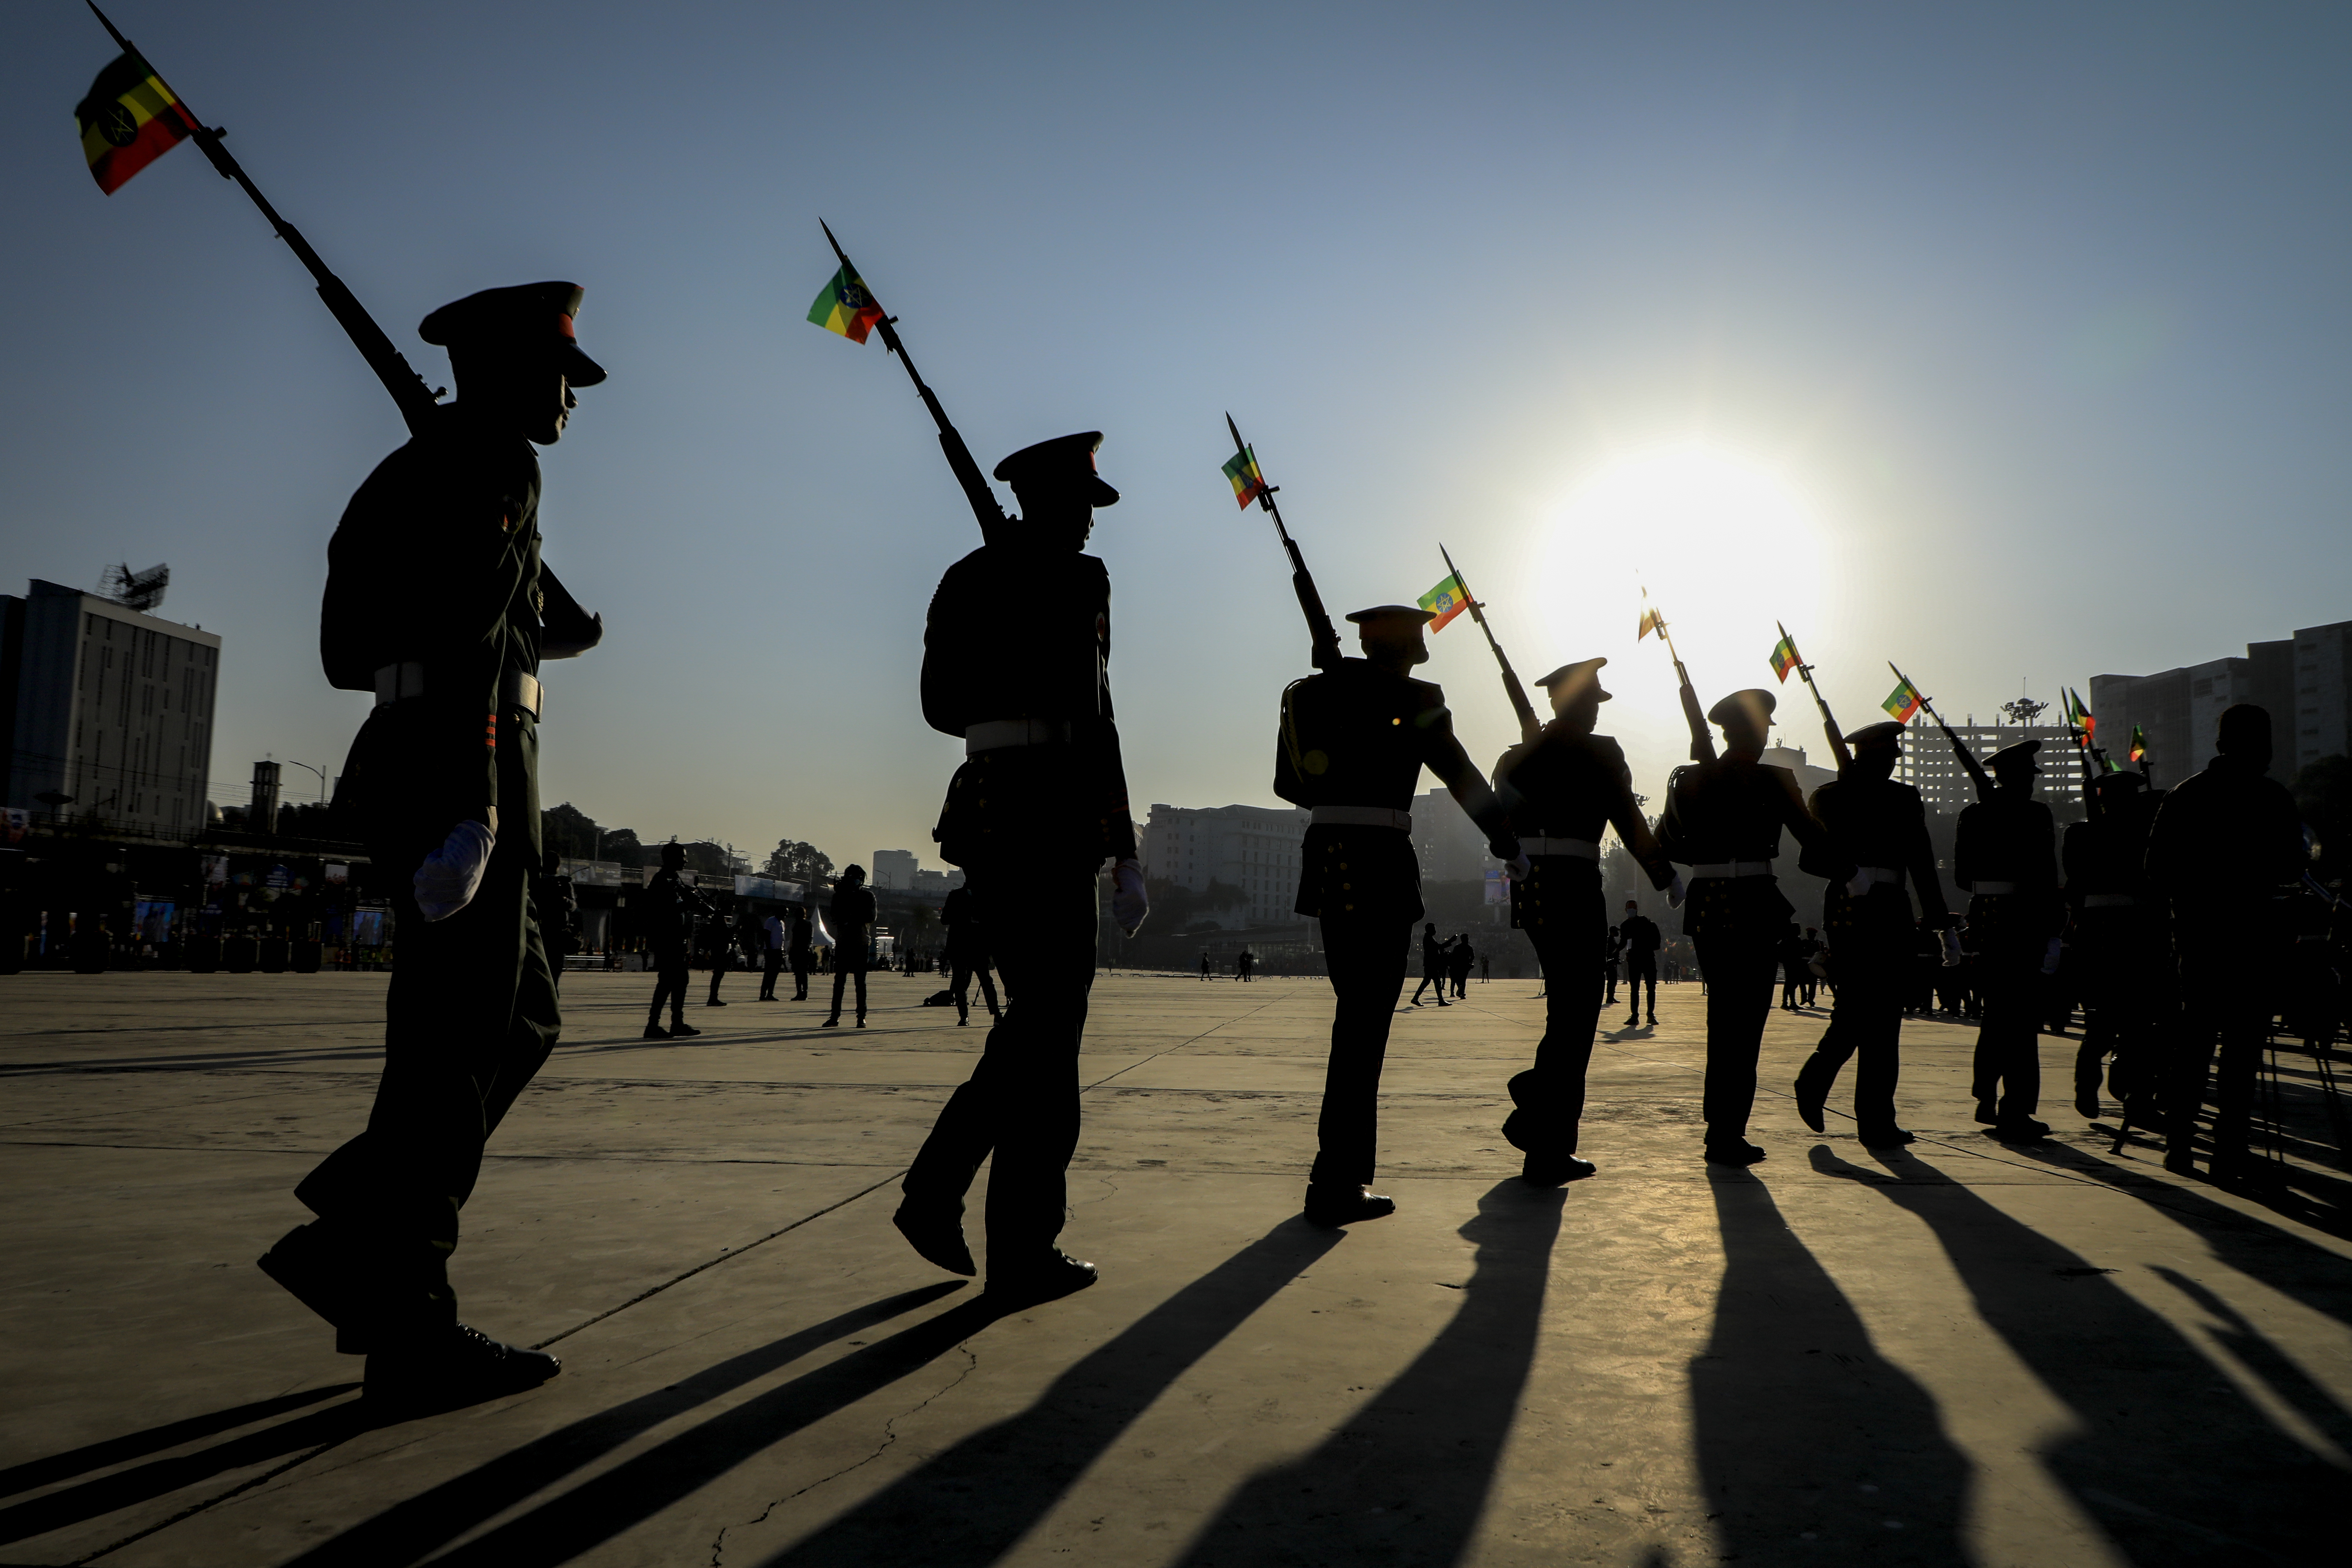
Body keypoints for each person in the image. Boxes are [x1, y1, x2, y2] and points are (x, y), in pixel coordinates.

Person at [259, 280, 607, 1403]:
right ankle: (407, 1319)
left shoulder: (403, 478)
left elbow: (345, 646)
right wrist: (477, 802)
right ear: (506, 373)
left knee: (524, 1014)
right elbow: (468, 638)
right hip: (474, 769)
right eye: (560, 374)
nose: (570, 396)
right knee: (454, 1043)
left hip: (427, 756)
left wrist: (543, 621)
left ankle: (365, 1229)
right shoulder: (500, 463)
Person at [894, 432, 1148, 1301]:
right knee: (1048, 1023)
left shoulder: (1054, 578)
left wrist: (1124, 846)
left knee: (1047, 1027)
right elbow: (939, 704)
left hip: (1031, 812)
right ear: (1038, 501)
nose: (1087, 520)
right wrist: (1016, 630)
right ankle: (978, 1214)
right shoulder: (989, 578)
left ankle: (991, 1225)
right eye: (1077, 505)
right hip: (1022, 809)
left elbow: (1097, 708)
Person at [1273, 603, 1525, 1225]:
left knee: (1354, 1021)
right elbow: (1460, 773)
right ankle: (1336, 1180)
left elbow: (1291, 785)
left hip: (1329, 863)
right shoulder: (1415, 696)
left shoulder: (1311, 694)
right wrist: (1506, 840)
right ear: (1408, 645)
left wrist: (1343, 720)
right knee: (1364, 1027)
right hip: (1380, 865)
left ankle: (1339, 1174)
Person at [1489, 657, 1680, 1182]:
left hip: (1529, 891)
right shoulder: (1599, 752)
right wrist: (1662, 873)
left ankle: (1541, 1127)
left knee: (1567, 1011)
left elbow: (1499, 816)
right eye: (1590, 704)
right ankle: (1539, 1119)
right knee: (1575, 1014)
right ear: (1576, 705)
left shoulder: (1515, 756)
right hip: (1573, 886)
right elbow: (1626, 815)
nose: (1596, 714)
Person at [1657, 688, 1848, 1165]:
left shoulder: (1690, 779)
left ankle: (1719, 1129)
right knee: (1744, 1025)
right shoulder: (1771, 779)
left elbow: (1669, 843)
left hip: (1707, 908)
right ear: (1760, 732)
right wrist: (1851, 865)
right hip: (1754, 905)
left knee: (1722, 1020)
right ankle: (1726, 1131)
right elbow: (1810, 837)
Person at [2147, 704, 2305, 1180]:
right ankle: (2227, 1147)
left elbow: (2154, 872)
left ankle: (2179, 1142)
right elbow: (2292, 872)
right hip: (2251, 941)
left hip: (2198, 940)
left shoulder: (2185, 796)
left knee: (2194, 1044)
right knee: (2240, 1052)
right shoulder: (2272, 798)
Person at [1790, 721, 1955, 1148]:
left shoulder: (1902, 798)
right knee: (1860, 1008)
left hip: (1893, 908)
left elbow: (1921, 862)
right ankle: (1825, 1084)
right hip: (1850, 906)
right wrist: (1849, 869)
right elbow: (1810, 860)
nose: (1889, 766)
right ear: (1866, 758)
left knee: (1884, 1018)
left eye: (1891, 760)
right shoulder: (1830, 797)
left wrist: (1940, 923)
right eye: (1883, 759)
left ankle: (1870, 1115)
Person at [1954, 740, 2062, 1140]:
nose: (2031, 785)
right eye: (2025, 777)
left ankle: (1987, 1094)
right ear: (2008, 778)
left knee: (2000, 1015)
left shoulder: (1975, 814)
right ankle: (2014, 1109)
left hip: (1989, 920)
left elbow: (1964, 877)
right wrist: (2052, 929)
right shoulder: (2034, 815)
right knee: (2018, 1019)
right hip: (2023, 922)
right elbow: (2047, 876)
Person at [2063, 770, 2166, 1121]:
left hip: (2113, 932)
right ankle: (2098, 1087)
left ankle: (2134, 1096)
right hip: (2113, 933)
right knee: (2110, 1021)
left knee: (2132, 1023)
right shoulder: (2087, 835)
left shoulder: (2124, 835)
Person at [640, 841, 706, 1039]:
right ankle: (654, 1025)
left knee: (679, 981)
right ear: (671, 859)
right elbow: (664, 911)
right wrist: (687, 904)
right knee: (667, 982)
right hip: (666, 939)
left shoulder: (674, 879)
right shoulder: (661, 881)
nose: (686, 860)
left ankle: (675, 1023)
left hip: (675, 939)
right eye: (683, 857)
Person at [940, 881, 1000, 1026]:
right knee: (961, 983)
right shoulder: (955, 896)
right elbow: (944, 919)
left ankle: (996, 1014)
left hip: (978, 947)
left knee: (986, 982)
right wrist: (963, 915)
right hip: (960, 946)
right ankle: (964, 1016)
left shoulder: (985, 897)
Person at [823, 865, 876, 1028]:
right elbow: (834, 916)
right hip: (844, 942)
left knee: (860, 983)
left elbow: (871, 917)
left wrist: (852, 913)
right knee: (839, 982)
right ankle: (835, 1017)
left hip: (860, 942)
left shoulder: (867, 896)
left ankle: (861, 1017)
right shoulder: (839, 896)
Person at [534, 848, 577, 992]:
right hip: (541, 932)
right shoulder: (537, 883)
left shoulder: (562, 884)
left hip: (556, 935)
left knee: (553, 976)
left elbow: (572, 905)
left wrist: (562, 900)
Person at [1620, 901, 1662, 1026]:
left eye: (1633, 908)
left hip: (1647, 959)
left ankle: (1650, 1015)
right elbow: (1625, 942)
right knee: (1634, 990)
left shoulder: (1646, 923)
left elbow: (1656, 942)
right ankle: (1635, 1016)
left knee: (1651, 989)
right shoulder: (1625, 925)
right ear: (1626, 910)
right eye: (1629, 908)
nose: (1631, 910)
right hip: (1634, 961)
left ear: (1637, 909)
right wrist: (1617, 951)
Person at [1410, 923, 1452, 1007]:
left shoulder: (1429, 938)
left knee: (1427, 982)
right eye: (1433, 929)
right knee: (1436, 982)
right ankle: (1441, 1000)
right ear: (1429, 930)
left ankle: (1416, 999)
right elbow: (1439, 947)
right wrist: (1450, 941)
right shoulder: (1428, 939)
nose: (1435, 931)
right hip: (1431, 964)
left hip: (1430, 964)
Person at [702, 909, 734, 1007]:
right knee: (718, 974)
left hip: (719, 950)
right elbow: (722, 935)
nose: (732, 910)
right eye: (731, 908)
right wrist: (733, 930)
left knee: (719, 974)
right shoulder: (719, 919)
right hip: (719, 950)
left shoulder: (719, 919)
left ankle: (713, 998)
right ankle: (713, 998)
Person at [759, 907, 786, 1000]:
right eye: (784, 913)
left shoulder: (782, 923)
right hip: (771, 950)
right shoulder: (771, 921)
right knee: (768, 973)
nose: (786, 915)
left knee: (775, 974)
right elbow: (766, 935)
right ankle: (763, 995)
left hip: (779, 951)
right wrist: (769, 948)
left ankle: (770, 994)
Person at [789, 903, 814, 1000]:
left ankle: (802, 992)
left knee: (801, 973)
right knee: (801, 973)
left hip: (801, 951)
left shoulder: (804, 924)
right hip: (800, 951)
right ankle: (801, 992)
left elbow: (809, 938)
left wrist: (806, 948)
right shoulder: (797, 924)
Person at [1449, 933, 1475, 998]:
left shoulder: (1457, 947)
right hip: (1464, 966)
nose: (1468, 940)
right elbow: (1473, 957)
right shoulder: (1469, 948)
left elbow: (1453, 957)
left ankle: (1461, 992)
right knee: (1463, 981)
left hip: (1459, 966)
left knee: (1460, 981)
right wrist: (1469, 962)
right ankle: (1461, 992)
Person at [1603, 924, 1623, 1007]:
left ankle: (1611, 997)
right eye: (1616, 932)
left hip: (1613, 963)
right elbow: (1613, 950)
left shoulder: (1612, 939)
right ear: (1612, 932)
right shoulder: (1610, 940)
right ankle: (1610, 997)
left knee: (1613, 981)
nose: (1617, 933)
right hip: (1611, 963)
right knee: (1612, 981)